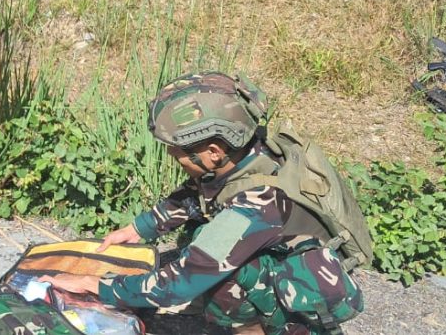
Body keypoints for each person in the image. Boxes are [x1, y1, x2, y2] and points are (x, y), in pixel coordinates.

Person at [42, 72, 366, 335]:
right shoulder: (249, 150)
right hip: (289, 253)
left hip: (308, 290)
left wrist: (95, 284)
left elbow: (180, 283)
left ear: (213, 151)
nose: (173, 157)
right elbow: (202, 191)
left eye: (177, 152)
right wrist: (140, 228)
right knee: (203, 239)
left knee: (222, 276)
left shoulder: (254, 204)